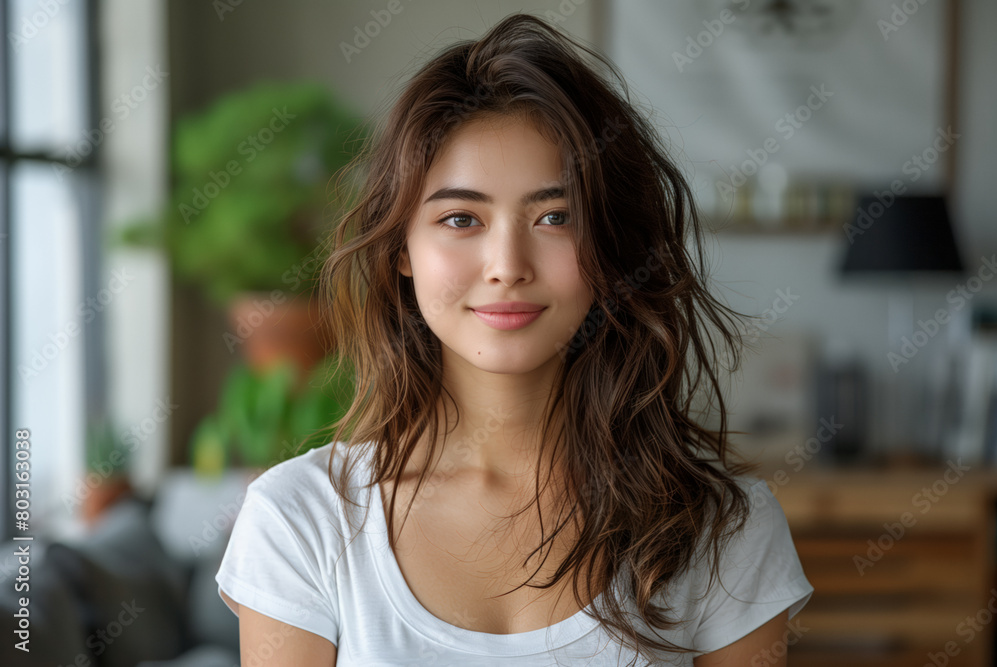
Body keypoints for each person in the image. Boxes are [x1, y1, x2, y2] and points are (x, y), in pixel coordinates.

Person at [215, 12, 813, 666]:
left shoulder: (724, 527)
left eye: (555, 216)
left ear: (610, 247)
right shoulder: (299, 520)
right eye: (461, 218)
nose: (507, 263)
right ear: (402, 250)